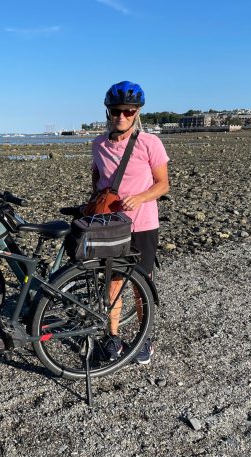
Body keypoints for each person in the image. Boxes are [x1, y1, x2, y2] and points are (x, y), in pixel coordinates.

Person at [90, 80, 170, 364]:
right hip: (111, 227)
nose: (121, 117)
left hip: (144, 225)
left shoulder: (151, 143)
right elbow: (98, 181)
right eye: (116, 111)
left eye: (128, 111)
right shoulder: (98, 144)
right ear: (108, 112)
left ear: (137, 113)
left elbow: (163, 185)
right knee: (112, 285)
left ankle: (143, 337)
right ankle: (113, 338)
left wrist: (141, 197)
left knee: (141, 285)